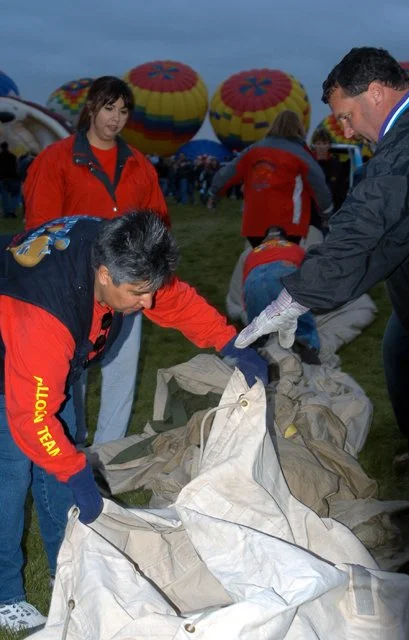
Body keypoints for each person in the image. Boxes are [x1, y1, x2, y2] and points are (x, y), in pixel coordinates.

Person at [0, 210, 268, 633]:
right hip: (12, 344)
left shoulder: (121, 250)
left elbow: (175, 299)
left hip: (45, 348)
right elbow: (32, 420)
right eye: (139, 294)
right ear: (104, 275)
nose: (148, 303)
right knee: (11, 475)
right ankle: (6, 596)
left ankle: (64, 567)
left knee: (60, 463)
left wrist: (230, 343)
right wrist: (76, 471)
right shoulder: (45, 318)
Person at [234, 46, 409, 496]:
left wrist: (291, 299)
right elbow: (388, 239)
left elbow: (363, 230)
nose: (347, 130)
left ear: (376, 93)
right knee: (399, 353)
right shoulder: (406, 137)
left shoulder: (407, 146)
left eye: (347, 116)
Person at [23, 76, 169, 447]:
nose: (115, 118)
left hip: (126, 280)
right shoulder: (55, 160)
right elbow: (40, 227)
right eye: (108, 108)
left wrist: (147, 269)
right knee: (71, 370)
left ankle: (109, 450)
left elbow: (158, 221)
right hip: (73, 284)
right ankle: (70, 444)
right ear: (91, 107)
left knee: (122, 368)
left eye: (123, 111)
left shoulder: (138, 164)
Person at [208, 110, 333, 246]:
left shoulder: (252, 150)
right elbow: (318, 185)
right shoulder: (301, 154)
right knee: (286, 259)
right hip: (289, 225)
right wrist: (326, 212)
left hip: (254, 226)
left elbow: (226, 174)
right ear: (298, 129)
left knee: (260, 258)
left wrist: (214, 195)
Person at [242, 227, 320, 364]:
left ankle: (259, 354)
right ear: (284, 238)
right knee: (300, 323)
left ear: (264, 240)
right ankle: (306, 346)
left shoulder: (252, 253)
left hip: (253, 280)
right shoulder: (295, 248)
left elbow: (245, 289)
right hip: (283, 272)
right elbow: (308, 279)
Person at [0, 141, 20, 218]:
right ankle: (12, 209)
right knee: (15, 194)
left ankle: (6, 212)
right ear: (7, 147)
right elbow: (16, 167)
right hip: (13, 178)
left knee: (4, 196)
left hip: (3, 178)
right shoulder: (13, 156)